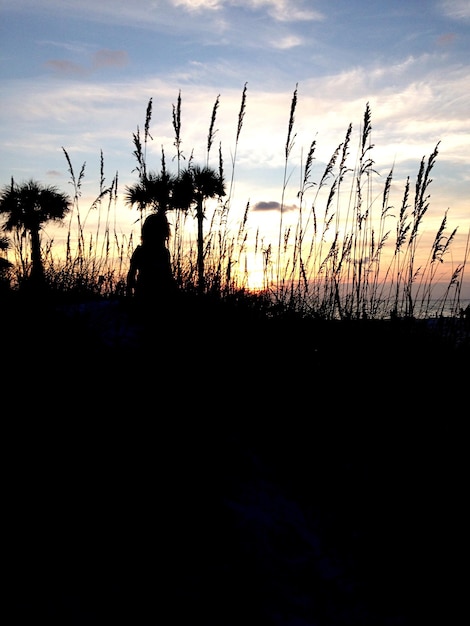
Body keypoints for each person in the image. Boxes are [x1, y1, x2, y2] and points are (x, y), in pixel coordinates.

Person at [126, 211, 177, 312]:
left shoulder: (161, 252)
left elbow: (131, 277)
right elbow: (131, 277)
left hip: (154, 298)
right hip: (149, 298)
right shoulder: (161, 252)